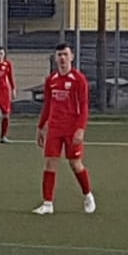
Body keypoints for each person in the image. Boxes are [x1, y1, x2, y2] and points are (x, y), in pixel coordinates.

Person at [34, 42, 95, 215]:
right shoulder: (51, 80)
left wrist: (80, 128)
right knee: (50, 162)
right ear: (55, 58)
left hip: (72, 128)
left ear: (71, 57)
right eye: (59, 55)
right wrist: (41, 126)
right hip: (55, 128)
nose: (62, 58)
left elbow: (84, 106)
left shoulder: (79, 80)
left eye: (65, 54)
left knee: (75, 164)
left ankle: (88, 195)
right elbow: (47, 105)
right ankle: (48, 203)